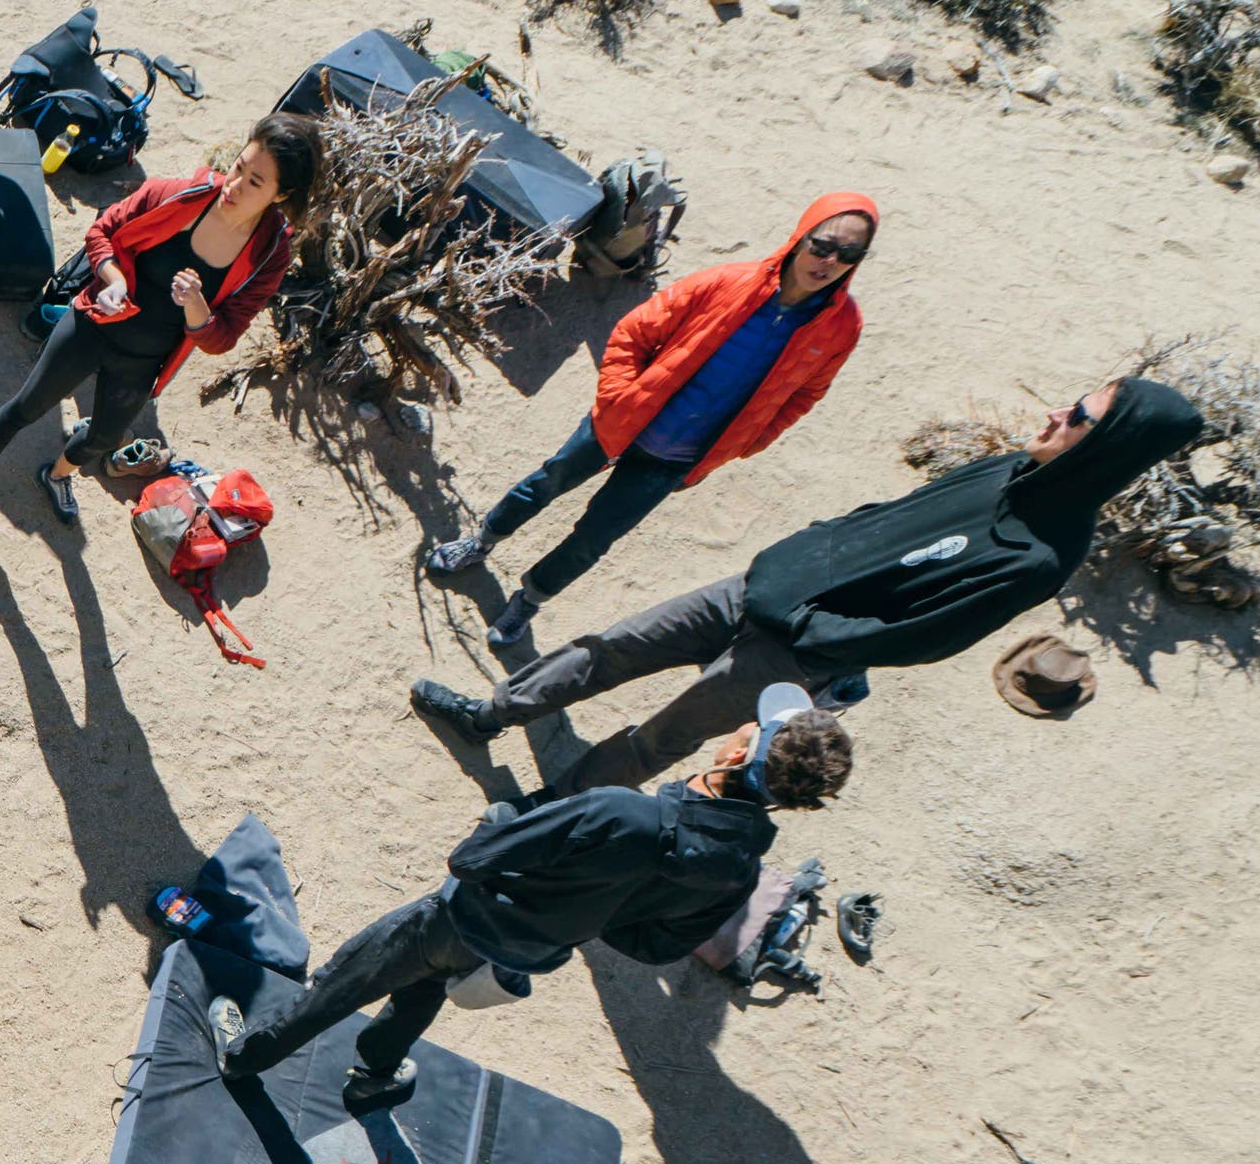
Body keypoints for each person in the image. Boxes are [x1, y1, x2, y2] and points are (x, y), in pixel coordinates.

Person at [412, 376, 1202, 795]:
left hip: (790, 652)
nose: (1057, 413)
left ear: (1106, 452)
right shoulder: (1012, 466)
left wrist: (811, 638)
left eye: (1080, 418)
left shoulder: (1041, 554)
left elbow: (924, 636)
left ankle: (549, 810)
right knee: (611, 646)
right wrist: (798, 554)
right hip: (761, 585)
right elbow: (891, 514)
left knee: (664, 736)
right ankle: (489, 714)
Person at [205, 694, 855, 1106]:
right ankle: (376, 1071)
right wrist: (595, 911)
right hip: (528, 950)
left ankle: (246, 1054)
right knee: (423, 987)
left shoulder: (620, 811)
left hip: (464, 915)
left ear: (739, 751)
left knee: (343, 981)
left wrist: (496, 820)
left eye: (754, 722)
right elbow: (654, 944)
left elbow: (473, 859)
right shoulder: (738, 871)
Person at [424, 193, 877, 647]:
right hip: (622, 424)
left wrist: (750, 442)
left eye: (849, 254)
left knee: (595, 538)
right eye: (822, 244)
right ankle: (482, 540)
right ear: (801, 237)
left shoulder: (843, 327)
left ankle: (530, 599)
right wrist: (621, 397)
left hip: (676, 459)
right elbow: (634, 332)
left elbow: (806, 394)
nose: (830, 260)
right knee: (546, 482)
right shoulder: (727, 281)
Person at [0, 118, 317, 534]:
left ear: (281, 195)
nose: (233, 186)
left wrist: (198, 308)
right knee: (27, 407)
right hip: (94, 326)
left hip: (145, 360)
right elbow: (103, 231)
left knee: (104, 438)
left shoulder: (268, 257)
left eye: (255, 182)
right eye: (237, 167)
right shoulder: (178, 196)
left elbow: (225, 336)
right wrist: (115, 279)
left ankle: (54, 475)